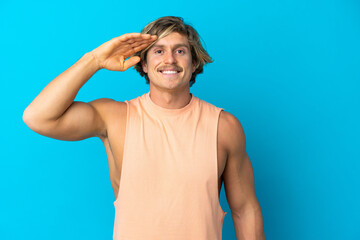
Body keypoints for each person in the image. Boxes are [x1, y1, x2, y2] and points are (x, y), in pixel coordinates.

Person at [23, 16, 265, 240]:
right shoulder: (115, 117)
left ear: (193, 64)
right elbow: (38, 117)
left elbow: (245, 209)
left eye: (180, 51)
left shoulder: (224, 126)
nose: (170, 59)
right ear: (145, 65)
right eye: (159, 51)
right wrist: (94, 60)